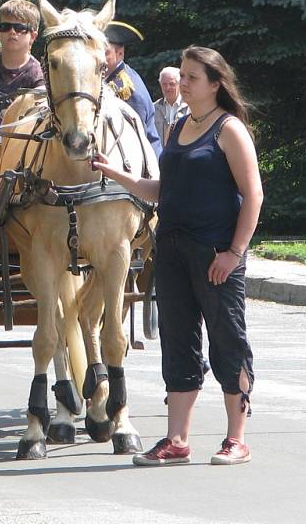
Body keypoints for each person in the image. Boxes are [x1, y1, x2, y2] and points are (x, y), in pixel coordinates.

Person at [93, 46, 263, 467]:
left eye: (191, 77)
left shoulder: (229, 129)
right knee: (178, 342)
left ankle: (235, 439)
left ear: (215, 83)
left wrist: (234, 253)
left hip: (215, 255)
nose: (182, 83)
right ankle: (177, 440)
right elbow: (162, 191)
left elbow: (253, 195)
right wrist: (117, 174)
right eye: (182, 75)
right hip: (170, 250)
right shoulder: (182, 125)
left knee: (228, 341)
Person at [0, 0, 45, 137]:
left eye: (20, 28)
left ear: (33, 36)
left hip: (21, 143)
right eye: (5, 27)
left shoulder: (39, 75)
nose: (12, 32)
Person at [103, 22, 162, 157]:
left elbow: (135, 135)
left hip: (142, 162)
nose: (100, 58)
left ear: (120, 54)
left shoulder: (125, 87)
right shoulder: (112, 78)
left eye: (105, 52)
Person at [154, 66, 189, 147]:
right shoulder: (154, 108)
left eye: (171, 84)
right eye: (164, 84)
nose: (167, 88)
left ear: (179, 84)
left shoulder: (190, 107)